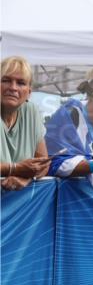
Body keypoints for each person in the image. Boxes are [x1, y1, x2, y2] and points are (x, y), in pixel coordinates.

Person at [1, 56, 49, 190]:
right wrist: (15, 168)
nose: (13, 88)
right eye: (6, 80)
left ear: (29, 92)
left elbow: (43, 163)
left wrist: (26, 177)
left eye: (21, 83)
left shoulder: (31, 111)